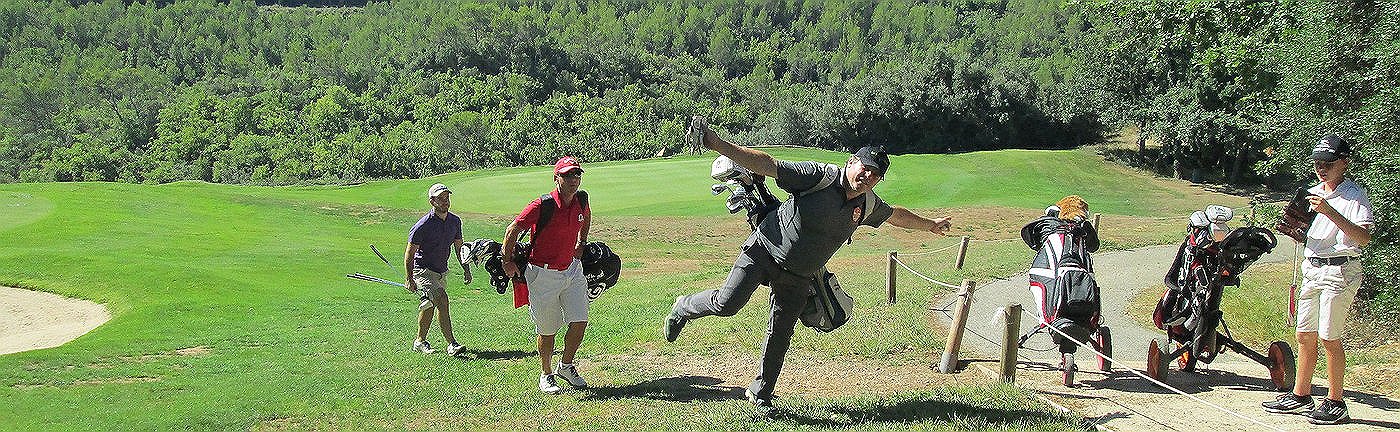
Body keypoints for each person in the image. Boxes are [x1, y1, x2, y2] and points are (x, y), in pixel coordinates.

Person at [664, 117, 953, 411]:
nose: (867, 175)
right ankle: (683, 307)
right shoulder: (819, 176)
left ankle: (760, 394)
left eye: (875, 174)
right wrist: (716, 144)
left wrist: (930, 225)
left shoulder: (866, 204)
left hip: (800, 276)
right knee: (727, 303)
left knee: (780, 333)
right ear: (851, 162)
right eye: (864, 167)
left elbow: (895, 215)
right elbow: (770, 166)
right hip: (765, 249)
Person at [1261, 134, 1374, 425]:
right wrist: (1294, 225)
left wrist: (1329, 211)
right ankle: (1301, 395)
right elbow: (1304, 231)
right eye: (1317, 163)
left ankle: (1336, 401)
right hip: (1312, 268)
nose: (1321, 168)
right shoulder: (1310, 192)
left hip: (1340, 270)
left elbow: (1363, 238)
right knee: (1304, 335)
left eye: (1328, 163)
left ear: (1344, 163)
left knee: (1329, 337)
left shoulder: (1354, 196)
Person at [503, 156, 593, 394]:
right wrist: (507, 260)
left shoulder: (581, 200)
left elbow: (586, 218)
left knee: (580, 320)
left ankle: (566, 365)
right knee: (548, 328)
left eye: (576, 175)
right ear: (556, 178)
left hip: (572, 270)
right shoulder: (542, 205)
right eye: (567, 175)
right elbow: (513, 229)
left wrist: (582, 242)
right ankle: (546, 373)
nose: (573, 179)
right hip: (542, 274)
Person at [405, 183, 471, 357]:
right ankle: (452, 344)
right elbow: (410, 253)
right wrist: (409, 278)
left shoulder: (455, 221)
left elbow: (459, 248)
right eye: (440, 198)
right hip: (422, 271)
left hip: (441, 271)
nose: (445, 202)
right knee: (442, 299)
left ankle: (419, 341)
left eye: (447, 198)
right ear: (432, 201)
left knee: (429, 306)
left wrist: (466, 268)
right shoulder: (422, 225)